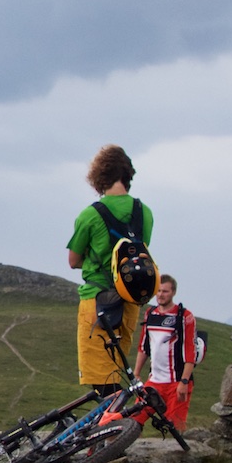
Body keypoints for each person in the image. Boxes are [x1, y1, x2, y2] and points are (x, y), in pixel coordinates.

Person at [65, 144, 154, 395]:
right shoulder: (144, 212)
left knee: (101, 381)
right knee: (116, 369)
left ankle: (113, 431)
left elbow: (73, 260)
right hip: (130, 302)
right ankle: (116, 429)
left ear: (99, 175)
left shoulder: (90, 215)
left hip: (98, 302)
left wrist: (94, 260)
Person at [136, 273, 199, 427]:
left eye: (165, 291)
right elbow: (144, 346)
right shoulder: (150, 313)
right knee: (134, 418)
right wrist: (137, 373)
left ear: (173, 293)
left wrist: (184, 381)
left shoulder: (184, 316)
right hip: (154, 381)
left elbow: (190, 351)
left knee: (175, 426)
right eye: (158, 291)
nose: (160, 295)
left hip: (176, 382)